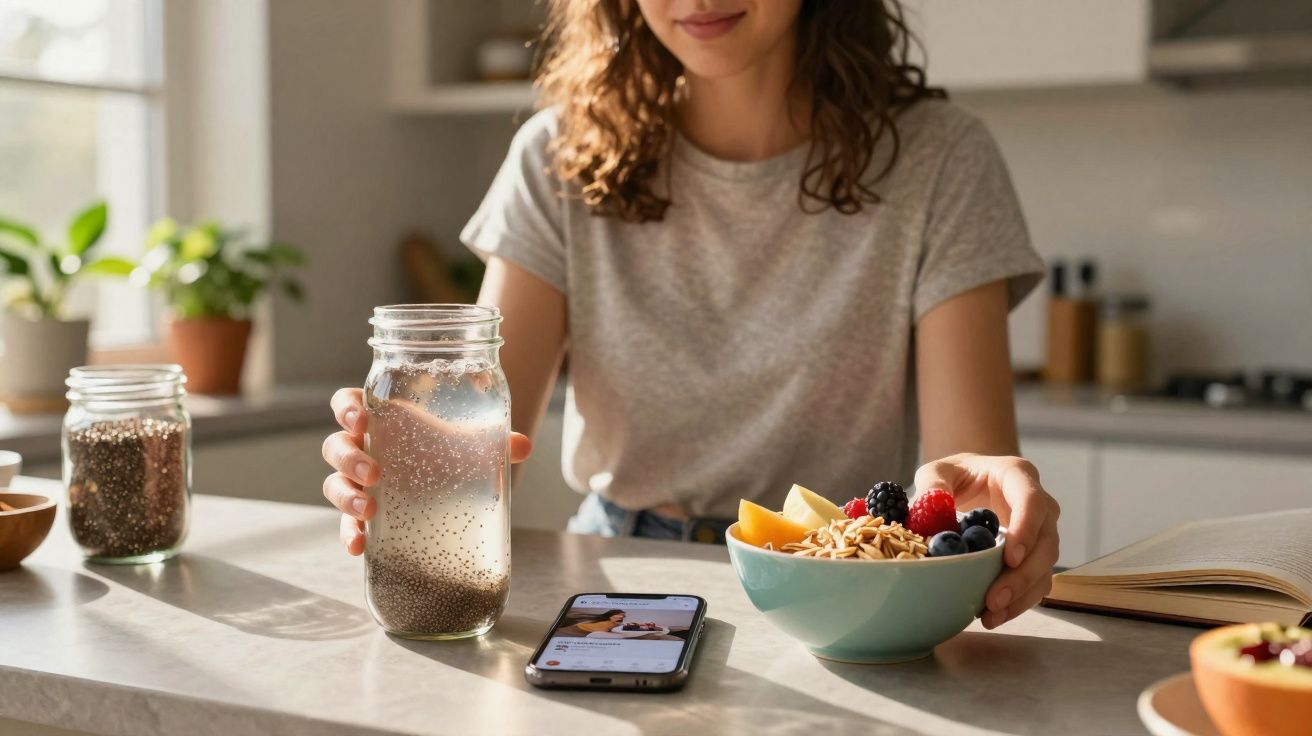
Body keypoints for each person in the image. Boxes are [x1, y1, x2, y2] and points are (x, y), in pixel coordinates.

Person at [322, 0, 1061, 630]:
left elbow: (963, 491)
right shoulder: (556, 158)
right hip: (615, 576)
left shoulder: (941, 160)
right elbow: (469, 453)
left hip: (836, 588)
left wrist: (992, 525)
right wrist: (393, 464)